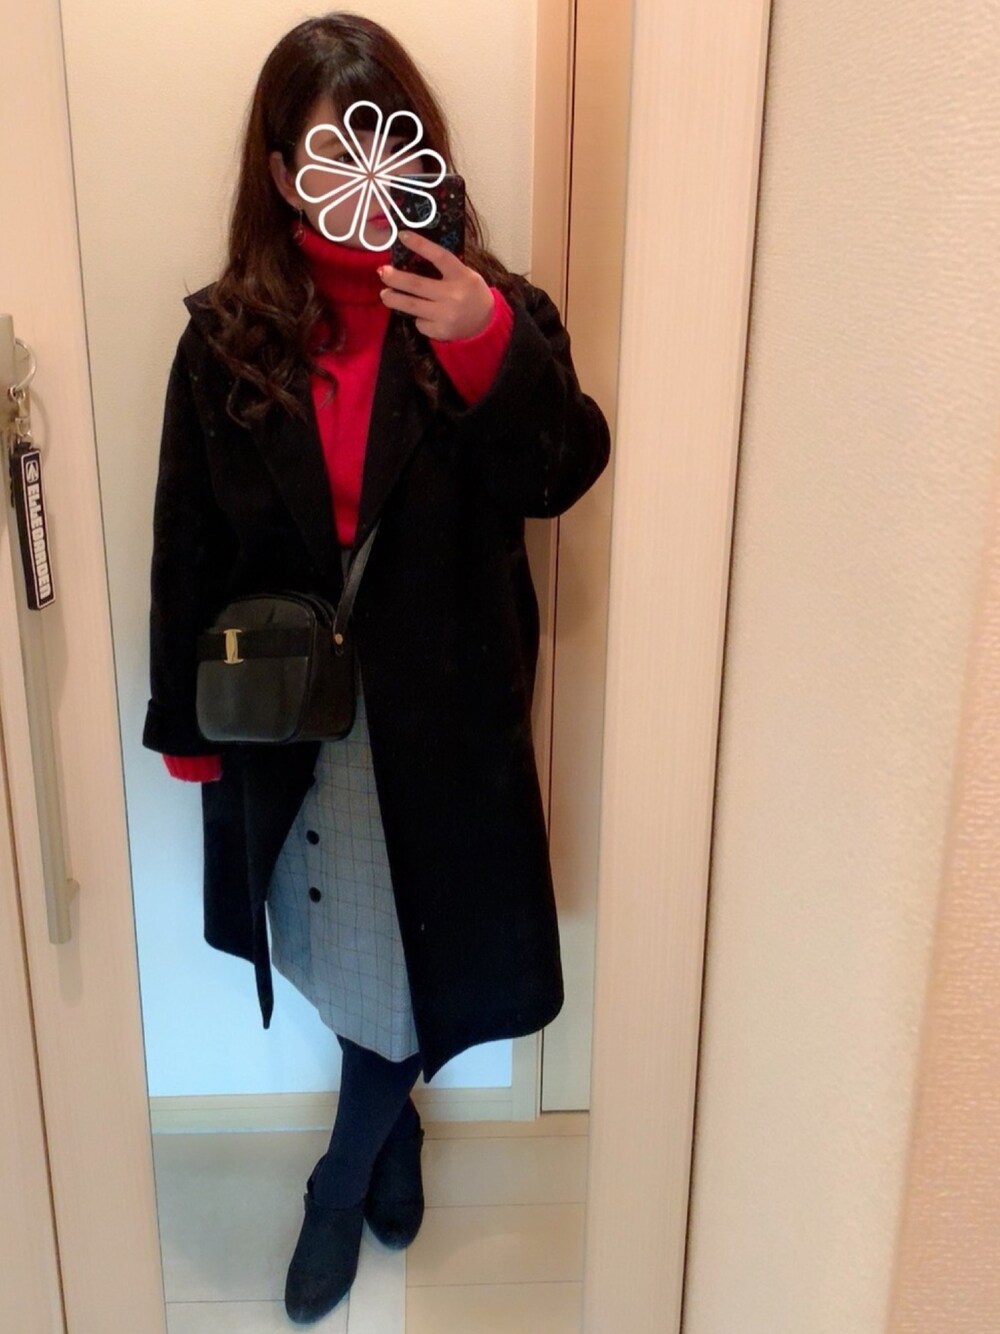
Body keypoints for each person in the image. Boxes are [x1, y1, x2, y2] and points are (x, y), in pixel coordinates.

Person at [142, 12, 611, 1324]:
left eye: (381, 142)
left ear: (418, 149)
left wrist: (485, 340)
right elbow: (187, 542)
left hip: (441, 713)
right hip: (292, 714)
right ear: (281, 171)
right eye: (325, 151)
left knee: (410, 959)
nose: (358, 174)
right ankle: (394, 1127)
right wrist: (187, 732)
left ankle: (340, 1174)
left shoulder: (488, 307)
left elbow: (561, 473)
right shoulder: (226, 338)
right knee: (349, 954)